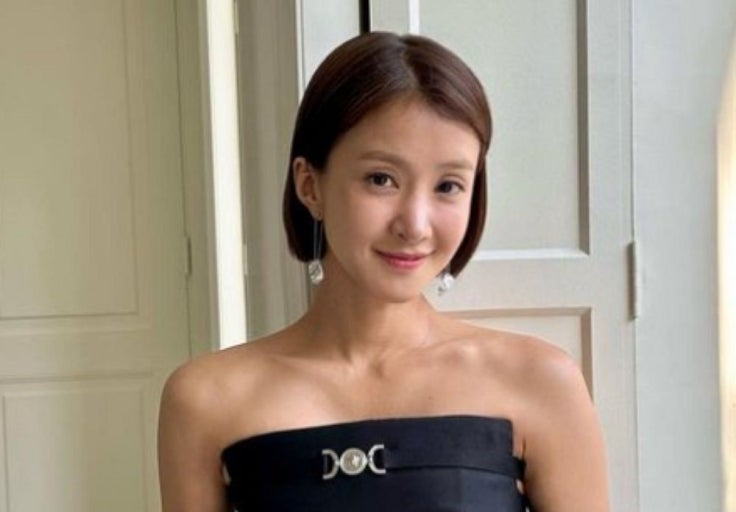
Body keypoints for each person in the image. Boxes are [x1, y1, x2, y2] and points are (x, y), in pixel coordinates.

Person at [158, 31, 610, 511]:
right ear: (309, 186)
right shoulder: (205, 399)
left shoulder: (539, 381)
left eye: (448, 186)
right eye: (381, 179)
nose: (414, 225)